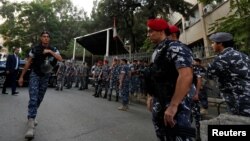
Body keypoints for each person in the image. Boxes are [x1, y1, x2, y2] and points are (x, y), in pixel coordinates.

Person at [145, 18, 195, 141]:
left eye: (151, 31)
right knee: (162, 135)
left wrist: (173, 105)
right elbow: (154, 76)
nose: (148, 34)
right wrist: (151, 96)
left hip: (176, 103)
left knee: (179, 135)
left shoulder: (175, 47)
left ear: (161, 31)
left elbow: (186, 75)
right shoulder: (157, 51)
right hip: (160, 100)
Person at [18, 31, 62, 139]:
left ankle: (31, 116)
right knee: (33, 98)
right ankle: (31, 125)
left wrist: (50, 52)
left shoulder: (54, 49)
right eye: (44, 37)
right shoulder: (35, 49)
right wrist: (21, 76)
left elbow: (60, 59)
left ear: (49, 39)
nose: (46, 38)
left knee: (39, 98)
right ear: (41, 38)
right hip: (35, 75)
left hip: (45, 76)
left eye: (47, 37)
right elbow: (28, 62)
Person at [207, 32, 250, 116]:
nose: (211, 45)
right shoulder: (243, 55)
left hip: (238, 98)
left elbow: (209, 74)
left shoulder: (222, 58)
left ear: (220, 44)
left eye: (213, 43)